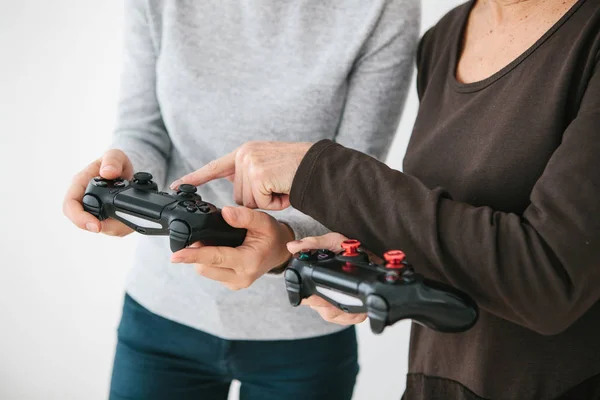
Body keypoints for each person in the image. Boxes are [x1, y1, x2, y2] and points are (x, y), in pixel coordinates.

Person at [172, 0, 600, 398]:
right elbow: (445, 236)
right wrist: (350, 261)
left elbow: (550, 279)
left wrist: (322, 172)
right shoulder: (445, 38)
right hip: (435, 382)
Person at [62, 0, 420, 399]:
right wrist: (122, 173)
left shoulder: (383, 7)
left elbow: (352, 181)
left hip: (304, 327)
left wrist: (282, 241)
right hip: (163, 315)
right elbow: (143, 129)